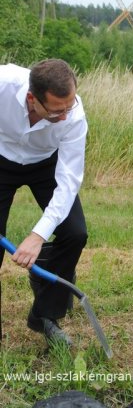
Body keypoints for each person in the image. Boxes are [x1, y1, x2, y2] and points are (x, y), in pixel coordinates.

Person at [0, 59, 88, 346]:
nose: (65, 116)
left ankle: (45, 315)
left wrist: (37, 235)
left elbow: (68, 181)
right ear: (31, 99)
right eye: (55, 112)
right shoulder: (3, 84)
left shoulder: (73, 115)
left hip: (44, 164)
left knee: (74, 233)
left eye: (69, 106)